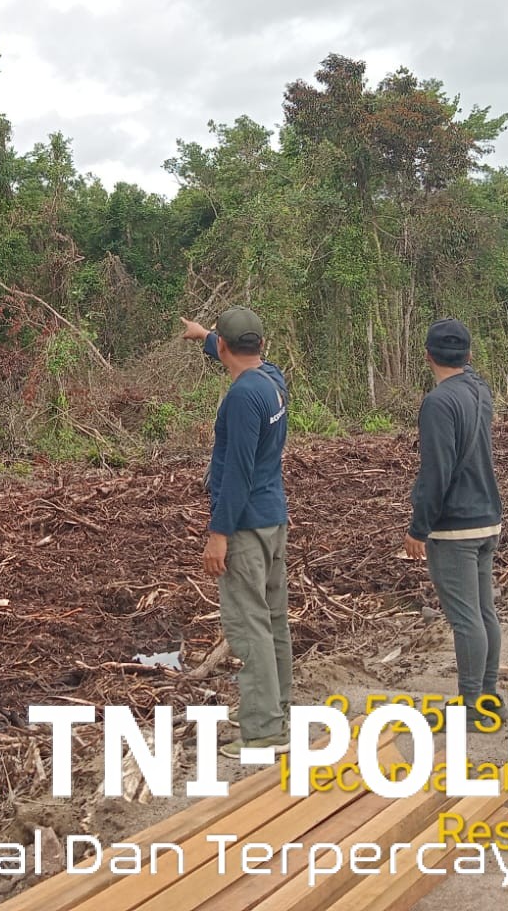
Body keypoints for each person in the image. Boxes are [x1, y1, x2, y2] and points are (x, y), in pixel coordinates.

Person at [179, 307, 293, 758]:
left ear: (227, 347)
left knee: (250, 627)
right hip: (272, 519)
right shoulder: (271, 379)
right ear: (259, 345)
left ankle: (265, 731)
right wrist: (204, 336)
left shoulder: (244, 397)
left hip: (245, 525)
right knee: (274, 619)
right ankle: (278, 709)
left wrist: (218, 533)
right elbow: (234, 352)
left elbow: (238, 473)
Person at [403, 318, 504, 729]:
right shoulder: (479, 390)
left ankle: (469, 705)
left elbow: (436, 472)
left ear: (427, 355)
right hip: (486, 518)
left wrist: (418, 527)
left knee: (466, 619)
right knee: (484, 612)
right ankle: (488, 695)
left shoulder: (438, 403)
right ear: (470, 355)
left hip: (455, 526)